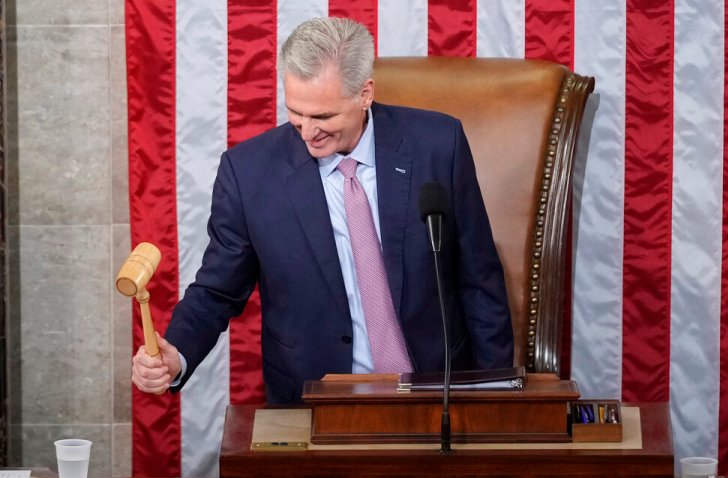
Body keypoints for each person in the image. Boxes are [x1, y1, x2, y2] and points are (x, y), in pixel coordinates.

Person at [132, 17, 514, 404]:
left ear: (364, 94)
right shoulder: (249, 174)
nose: (307, 131)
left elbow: (479, 279)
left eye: (323, 117)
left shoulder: (437, 145)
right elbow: (217, 291)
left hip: (436, 391)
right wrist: (176, 354)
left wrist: (497, 398)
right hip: (315, 401)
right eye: (296, 112)